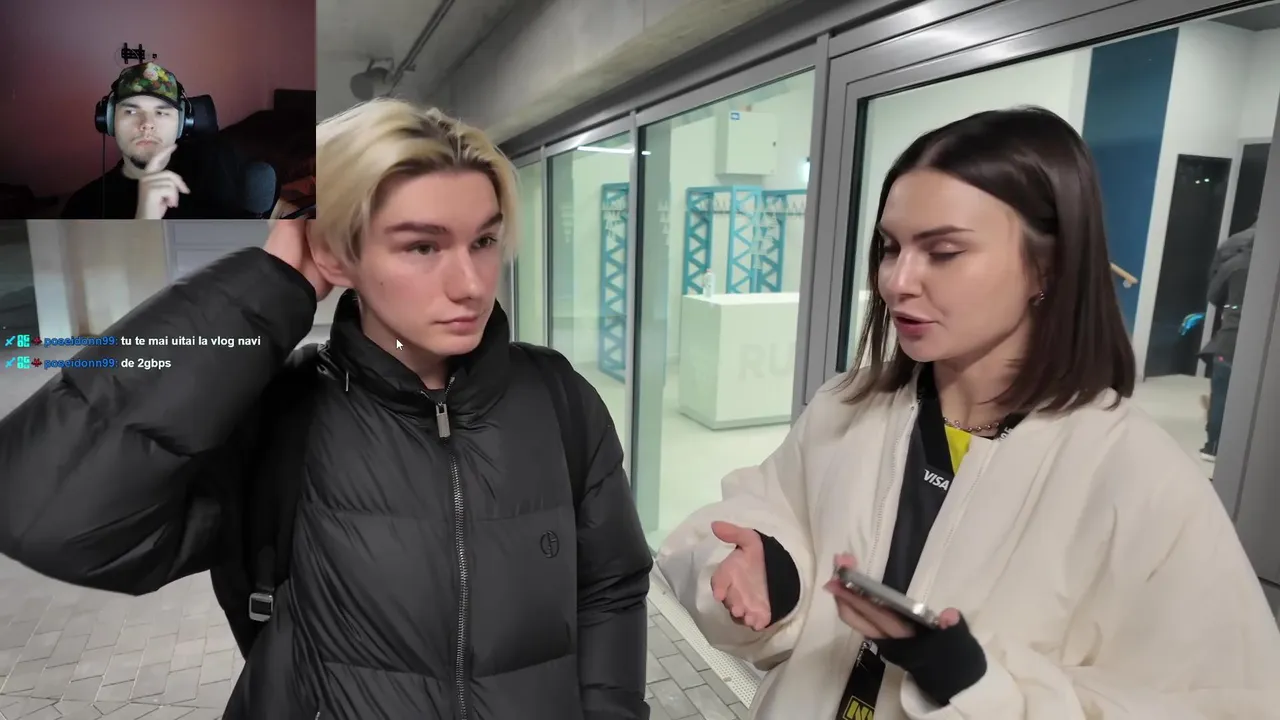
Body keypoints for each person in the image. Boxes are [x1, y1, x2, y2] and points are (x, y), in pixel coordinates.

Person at [0, 99, 653, 719]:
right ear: (340, 254)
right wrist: (269, 288)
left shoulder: (558, 399)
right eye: (423, 246)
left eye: (483, 241)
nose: (471, 284)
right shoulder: (276, 414)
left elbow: (611, 588)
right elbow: (46, 513)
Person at [656, 107, 1280, 719]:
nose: (897, 281)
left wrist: (977, 686)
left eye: (944, 252)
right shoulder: (847, 408)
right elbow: (762, 513)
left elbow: (1223, 700)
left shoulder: (1139, 479)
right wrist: (774, 570)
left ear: (1047, 266)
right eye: (890, 247)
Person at [61, 62, 249, 219]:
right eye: (131, 111)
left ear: (183, 123)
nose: (147, 124)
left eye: (161, 112)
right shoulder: (82, 209)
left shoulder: (215, 169)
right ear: (108, 120)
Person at [1199, 224, 1255, 461]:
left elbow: (1214, 295)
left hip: (1231, 336)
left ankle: (1213, 447)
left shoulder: (1234, 259)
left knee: (1221, 393)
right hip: (1264, 346)